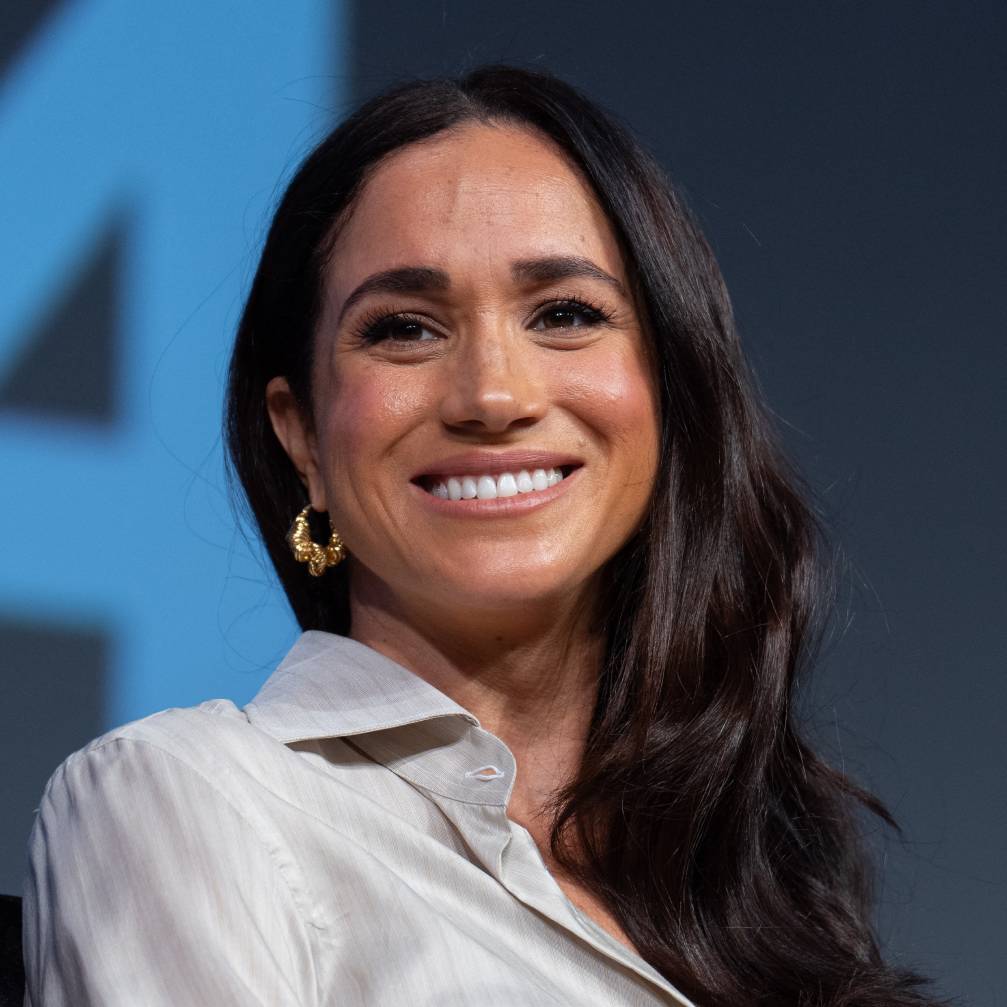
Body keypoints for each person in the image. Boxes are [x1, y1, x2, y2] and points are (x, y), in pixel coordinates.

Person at [22, 66, 943, 1006]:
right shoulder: (189, 800)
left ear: (669, 394)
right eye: (405, 329)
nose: (494, 396)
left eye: (565, 314)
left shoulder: (771, 897)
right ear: (300, 434)